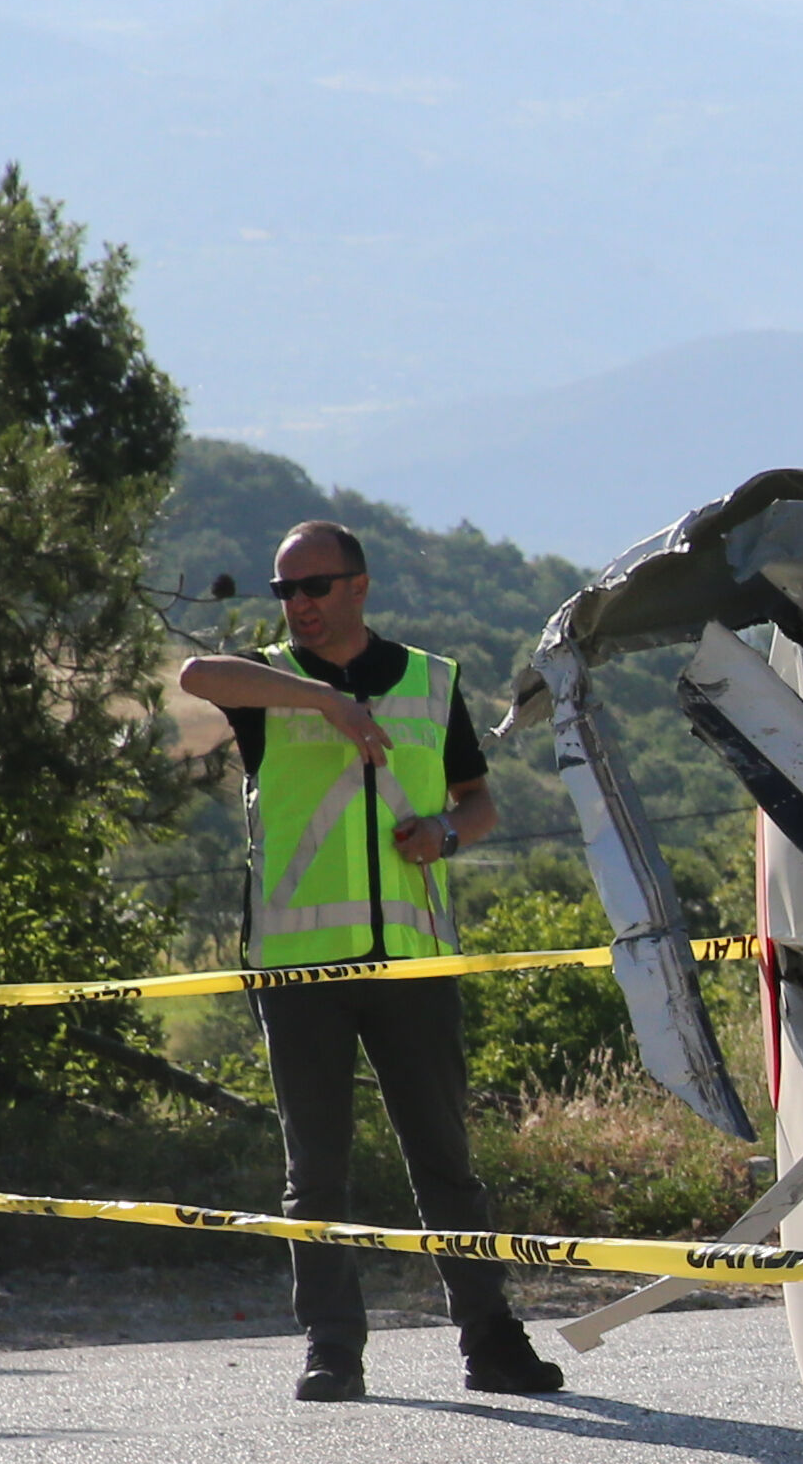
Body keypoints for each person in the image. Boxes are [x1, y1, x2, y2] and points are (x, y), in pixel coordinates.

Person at [174, 520, 567, 1402]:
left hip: (414, 962)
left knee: (446, 1163)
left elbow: (480, 802)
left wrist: (449, 834)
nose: (298, 605)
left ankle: (491, 1343)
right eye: (285, 591)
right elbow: (196, 674)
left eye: (314, 586)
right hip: (301, 966)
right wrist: (322, 703)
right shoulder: (267, 681)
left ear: (358, 585)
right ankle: (333, 1349)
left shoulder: (431, 680)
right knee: (314, 1170)